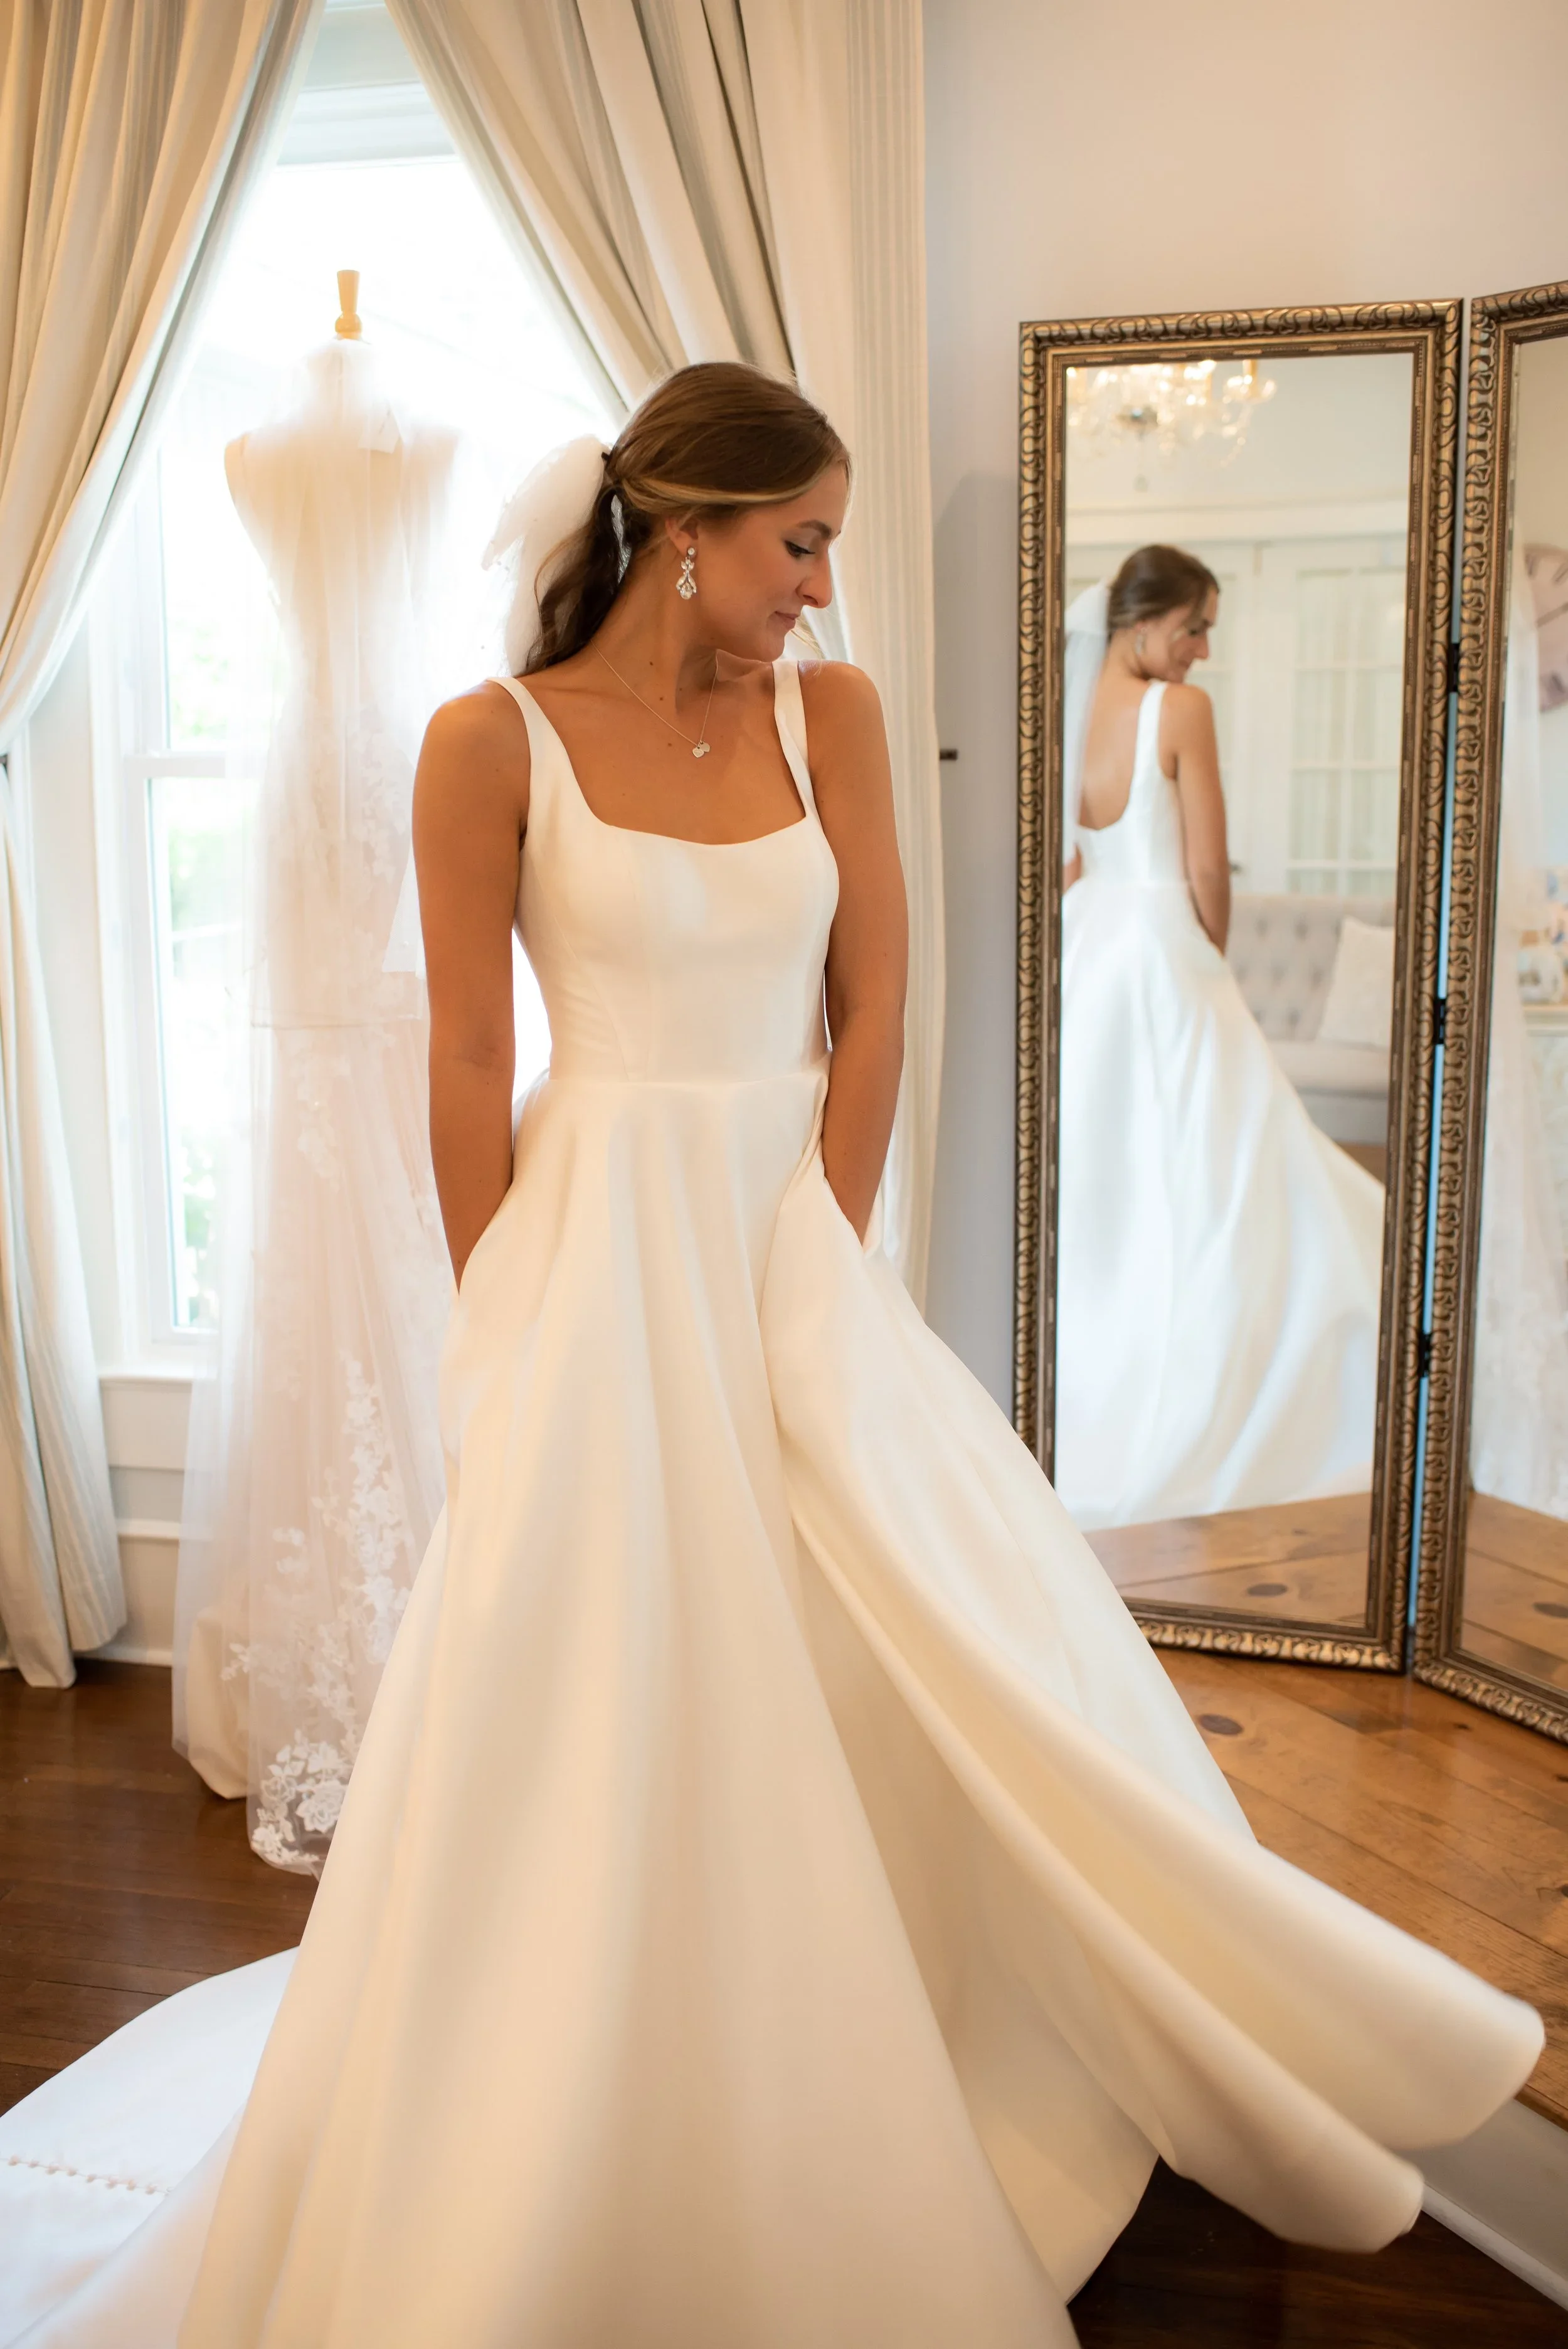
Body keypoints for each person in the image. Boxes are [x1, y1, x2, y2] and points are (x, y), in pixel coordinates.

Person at [1, 374, 1539, 2349]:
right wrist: (505, 1308)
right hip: (589, 1255)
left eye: (826, 546)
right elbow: (467, 1061)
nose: (821, 588)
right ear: (679, 527)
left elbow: (876, 998)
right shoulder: (488, 745)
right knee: (602, 1674)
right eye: (797, 543)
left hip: (782, 1234)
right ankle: (581, 2101)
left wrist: (813, 1240)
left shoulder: (836, 717)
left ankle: (904, 2022)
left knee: (919, 1621)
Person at [1055, 546, 1388, 1532]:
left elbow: (1074, 854)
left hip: (1095, 941)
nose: (1202, 651)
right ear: (1144, 620)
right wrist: (1213, 957)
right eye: (1195, 627)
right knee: (1214, 1166)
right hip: (1163, 946)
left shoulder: (1072, 711)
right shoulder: (1180, 713)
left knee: (1107, 1174)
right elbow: (1208, 866)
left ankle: (1094, 1368)